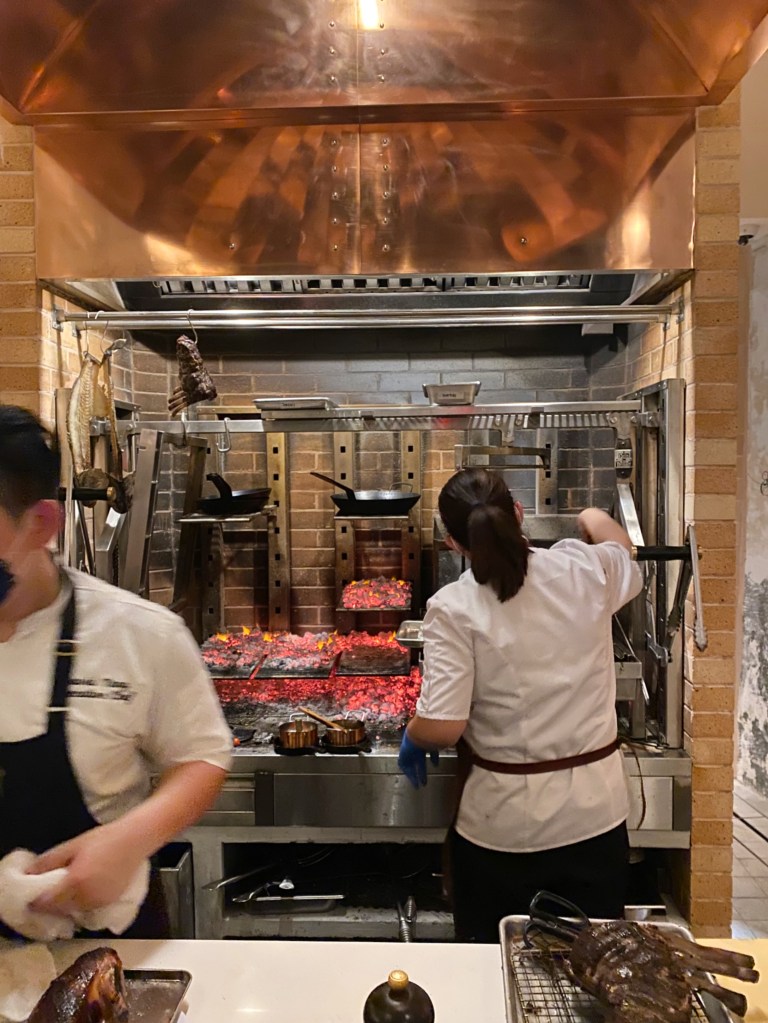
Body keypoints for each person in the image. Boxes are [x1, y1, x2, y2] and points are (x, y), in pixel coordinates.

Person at [0, 404, 233, 938]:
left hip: (103, 947)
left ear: (41, 523)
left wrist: (128, 840)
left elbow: (200, 756)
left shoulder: (140, 633)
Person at [398, 467, 643, 942]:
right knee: (592, 967)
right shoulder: (584, 569)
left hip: (503, 830)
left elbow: (443, 726)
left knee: (492, 967)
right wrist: (592, 516)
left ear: (453, 543)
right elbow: (623, 550)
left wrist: (413, 735)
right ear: (518, 512)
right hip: (595, 818)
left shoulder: (453, 606)